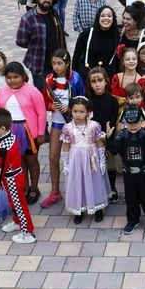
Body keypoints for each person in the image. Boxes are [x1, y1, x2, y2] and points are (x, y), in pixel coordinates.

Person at [0, 62, 47, 207]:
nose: (12, 80)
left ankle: (34, 189)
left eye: (16, 77)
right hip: (10, 131)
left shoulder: (32, 91)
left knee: (31, 160)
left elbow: (41, 113)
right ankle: (25, 187)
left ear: (23, 76)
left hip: (28, 131)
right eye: (9, 77)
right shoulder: (2, 92)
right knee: (19, 161)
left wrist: (41, 133)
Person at [107, 104, 145, 239]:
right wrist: (109, 137)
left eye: (136, 122)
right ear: (124, 121)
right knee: (131, 199)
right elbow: (114, 150)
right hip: (129, 174)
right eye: (129, 123)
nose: (132, 126)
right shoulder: (122, 135)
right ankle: (132, 220)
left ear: (142, 121)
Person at [41, 50, 85, 209]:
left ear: (67, 64)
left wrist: (70, 108)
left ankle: (79, 190)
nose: (56, 66)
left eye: (59, 63)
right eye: (54, 63)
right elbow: (44, 101)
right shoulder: (48, 79)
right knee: (53, 157)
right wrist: (51, 106)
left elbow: (83, 99)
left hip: (74, 123)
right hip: (57, 123)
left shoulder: (76, 78)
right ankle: (55, 192)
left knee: (75, 158)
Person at [0, 108, 36, 244]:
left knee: (19, 206)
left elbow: (1, 167)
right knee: (14, 203)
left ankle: (28, 233)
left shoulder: (4, 146)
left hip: (12, 179)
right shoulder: (9, 136)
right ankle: (17, 222)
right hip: (13, 176)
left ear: (2, 128)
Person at [61, 96, 110, 224]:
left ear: (88, 112)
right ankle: (79, 209)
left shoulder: (94, 125)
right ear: (71, 111)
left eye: (81, 111)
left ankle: (97, 207)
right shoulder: (68, 127)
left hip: (91, 159)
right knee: (78, 181)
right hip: (76, 159)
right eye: (75, 111)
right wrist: (66, 163)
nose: (78, 115)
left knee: (94, 181)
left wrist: (102, 160)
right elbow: (66, 146)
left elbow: (99, 143)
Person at [16, 0, 66, 91]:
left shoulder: (54, 14)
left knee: (59, 93)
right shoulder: (28, 18)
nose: (47, 0)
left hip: (57, 63)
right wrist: (36, 45)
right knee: (43, 93)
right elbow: (21, 41)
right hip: (39, 65)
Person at [86, 67, 120, 203]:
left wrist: (106, 141)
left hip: (107, 137)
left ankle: (111, 187)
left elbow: (112, 123)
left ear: (106, 81)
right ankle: (94, 187)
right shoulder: (87, 101)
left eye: (100, 80)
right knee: (92, 165)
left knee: (109, 163)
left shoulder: (112, 101)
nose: (97, 84)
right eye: (93, 81)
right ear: (90, 84)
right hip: (89, 139)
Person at [73, 6, 120, 81]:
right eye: (102, 16)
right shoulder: (86, 34)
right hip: (87, 77)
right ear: (98, 17)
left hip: (107, 78)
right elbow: (76, 57)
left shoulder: (117, 36)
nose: (106, 18)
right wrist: (74, 77)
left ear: (113, 18)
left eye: (109, 16)